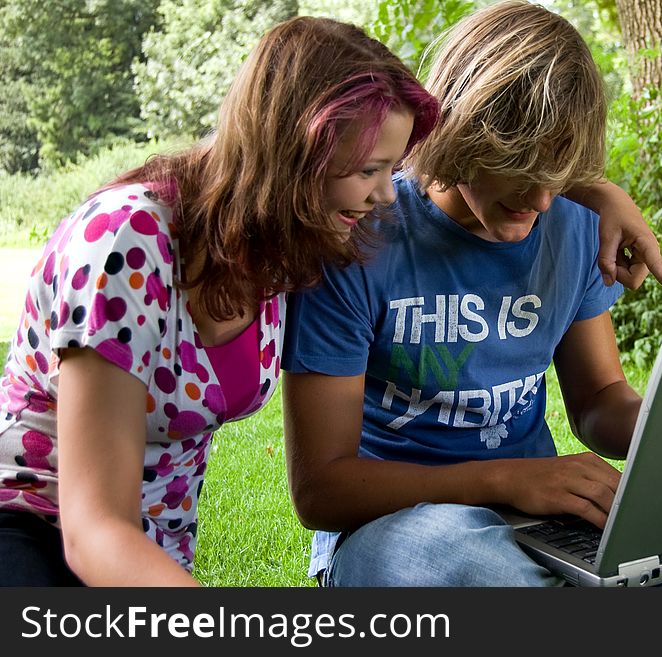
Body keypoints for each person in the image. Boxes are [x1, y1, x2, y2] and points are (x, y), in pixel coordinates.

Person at [280, 0, 662, 587]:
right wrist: (504, 480)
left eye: (557, 179)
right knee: (467, 569)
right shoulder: (357, 235)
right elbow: (321, 489)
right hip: (409, 527)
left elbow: (598, 399)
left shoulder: (575, 221)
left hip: (548, 525)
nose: (538, 202)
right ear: (463, 136)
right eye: (520, 172)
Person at [0, 15, 442, 586]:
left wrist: (588, 195)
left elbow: (463, 187)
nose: (385, 195)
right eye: (369, 170)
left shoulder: (288, 245)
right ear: (293, 153)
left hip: (150, 552)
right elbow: (92, 529)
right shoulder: (126, 240)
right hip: (34, 528)